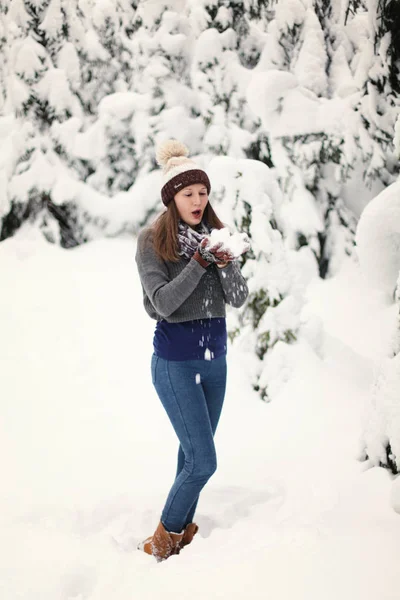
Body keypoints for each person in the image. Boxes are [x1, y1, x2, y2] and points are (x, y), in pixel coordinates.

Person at [135, 139, 249, 561]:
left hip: (214, 363)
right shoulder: (152, 243)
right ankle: (161, 542)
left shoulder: (211, 238)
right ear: (172, 200)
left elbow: (238, 298)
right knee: (203, 462)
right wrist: (200, 263)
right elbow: (161, 303)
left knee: (191, 456)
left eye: (203, 192)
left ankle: (180, 533)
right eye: (189, 194)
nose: (199, 200)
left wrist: (225, 261)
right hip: (175, 365)